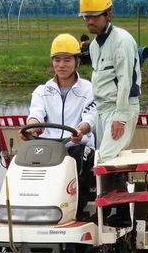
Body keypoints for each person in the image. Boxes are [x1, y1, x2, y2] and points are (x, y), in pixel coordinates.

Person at [79, 0, 141, 225]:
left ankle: (122, 213)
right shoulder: (94, 46)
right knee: (106, 159)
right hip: (102, 109)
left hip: (120, 108)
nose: (90, 21)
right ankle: (113, 210)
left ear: (109, 15)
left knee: (105, 158)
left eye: (95, 15)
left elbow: (125, 81)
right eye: (86, 16)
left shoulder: (122, 41)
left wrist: (121, 117)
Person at [24, 33, 97, 214]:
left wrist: (80, 130)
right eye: (57, 60)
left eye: (67, 60)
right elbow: (36, 114)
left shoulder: (88, 89)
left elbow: (90, 117)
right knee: (23, 158)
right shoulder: (42, 91)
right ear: (52, 62)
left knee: (78, 157)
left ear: (77, 61)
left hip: (77, 144)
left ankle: (76, 209)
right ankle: (30, 207)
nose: (61, 65)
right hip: (50, 148)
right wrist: (32, 126)